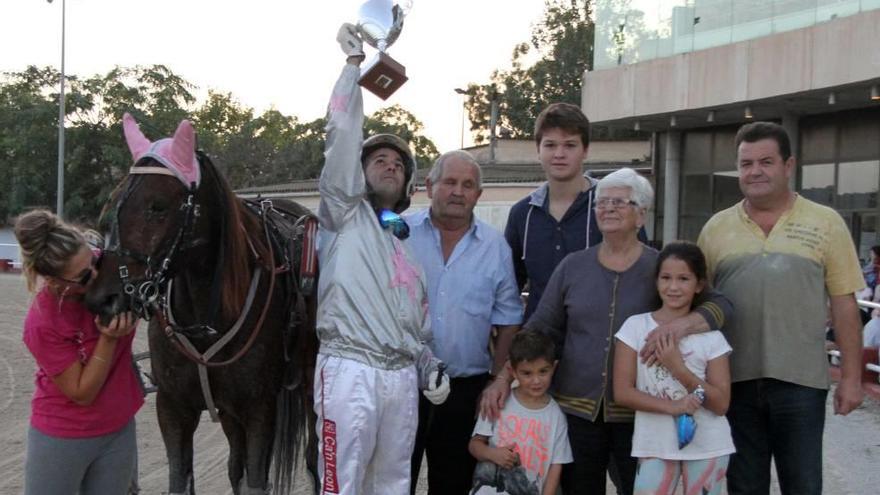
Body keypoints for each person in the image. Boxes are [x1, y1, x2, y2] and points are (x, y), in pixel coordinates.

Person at [481, 168, 733, 495]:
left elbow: (721, 305)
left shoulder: (660, 268)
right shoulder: (573, 266)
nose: (608, 208)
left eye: (619, 202)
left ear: (641, 215)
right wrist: (503, 378)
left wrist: (683, 324)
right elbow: (539, 327)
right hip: (577, 411)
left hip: (640, 416)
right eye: (601, 202)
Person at [313, 23, 450, 495]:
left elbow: (416, 326)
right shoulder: (343, 213)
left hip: (399, 381)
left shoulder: (405, 250)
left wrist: (427, 361)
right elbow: (343, 134)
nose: (390, 166)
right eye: (379, 161)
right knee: (342, 484)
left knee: (394, 485)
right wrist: (352, 68)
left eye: (398, 164)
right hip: (350, 372)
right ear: (359, 172)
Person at [697, 121, 864, 494]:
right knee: (743, 486)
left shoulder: (826, 223)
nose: (755, 171)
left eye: (766, 162)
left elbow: (844, 305)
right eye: (746, 164)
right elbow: (700, 309)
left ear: (789, 165)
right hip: (733, 383)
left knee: (803, 485)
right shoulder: (715, 229)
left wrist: (851, 378)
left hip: (801, 384)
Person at [405, 150, 523, 494]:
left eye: (468, 185)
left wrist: (495, 379)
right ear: (429, 186)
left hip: (465, 389)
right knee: (395, 481)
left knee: (454, 483)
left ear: (478, 195)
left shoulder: (494, 246)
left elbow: (510, 319)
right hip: (403, 385)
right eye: (450, 182)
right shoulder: (399, 235)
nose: (458, 191)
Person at [15, 209, 142, 495]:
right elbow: (82, 392)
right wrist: (108, 340)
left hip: (118, 430)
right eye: (84, 277)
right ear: (55, 282)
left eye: (95, 261)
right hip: (64, 436)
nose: (96, 277)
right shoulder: (43, 322)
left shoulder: (110, 273)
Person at [504, 103, 647, 320]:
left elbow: (642, 278)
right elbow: (508, 289)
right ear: (538, 150)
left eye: (570, 145)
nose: (559, 154)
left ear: (585, 150)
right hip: (538, 346)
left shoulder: (616, 208)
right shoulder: (522, 214)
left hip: (600, 345)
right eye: (550, 145)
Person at [613, 241, 735, 495]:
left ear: (699, 284)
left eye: (684, 279)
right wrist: (675, 407)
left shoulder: (712, 338)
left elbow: (721, 403)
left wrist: (678, 368)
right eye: (666, 278)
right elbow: (623, 392)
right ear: (656, 281)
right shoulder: (635, 328)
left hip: (709, 444)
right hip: (654, 443)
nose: (673, 287)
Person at [468, 330, 572, 495]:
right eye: (527, 373)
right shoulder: (498, 402)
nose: (536, 380)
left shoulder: (557, 416)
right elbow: (475, 445)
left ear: (554, 367)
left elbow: (556, 466)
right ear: (512, 371)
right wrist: (492, 454)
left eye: (543, 371)